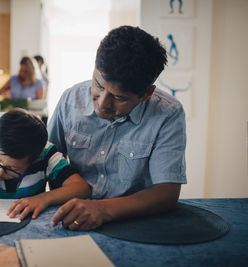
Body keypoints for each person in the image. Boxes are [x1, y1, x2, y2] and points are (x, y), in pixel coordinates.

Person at [48, 25, 186, 231]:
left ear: (147, 94)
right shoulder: (70, 100)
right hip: (69, 218)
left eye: (119, 97)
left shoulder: (168, 113)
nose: (102, 103)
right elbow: (42, 159)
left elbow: (166, 192)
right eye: (98, 85)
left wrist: (102, 209)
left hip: (135, 224)